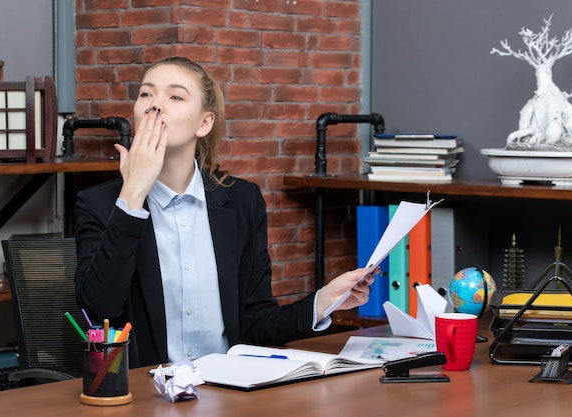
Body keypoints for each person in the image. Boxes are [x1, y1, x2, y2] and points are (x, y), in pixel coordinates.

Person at [74, 56, 377, 368]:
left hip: (226, 389)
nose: (155, 105)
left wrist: (323, 302)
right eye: (146, 94)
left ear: (204, 123)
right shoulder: (100, 204)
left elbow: (255, 324)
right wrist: (133, 196)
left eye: (175, 96)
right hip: (145, 396)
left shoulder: (242, 201)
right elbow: (99, 312)